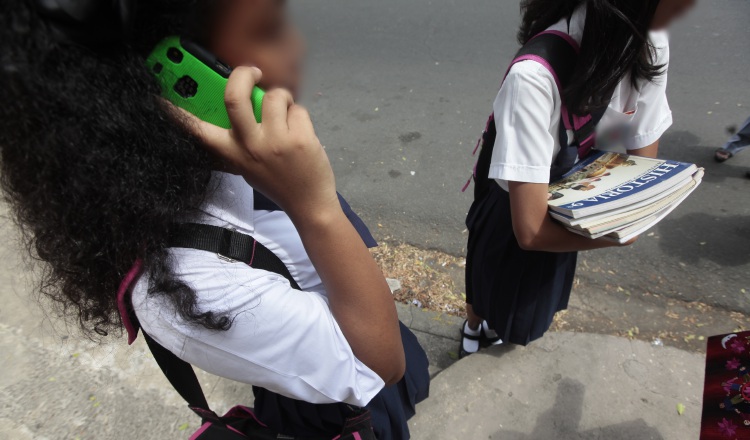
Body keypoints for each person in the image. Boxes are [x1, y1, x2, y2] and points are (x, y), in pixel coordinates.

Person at [0, 1, 428, 439]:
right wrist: (314, 207)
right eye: (266, 32)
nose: (297, 47)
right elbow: (382, 366)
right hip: (339, 401)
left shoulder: (222, 162)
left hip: (338, 326)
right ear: (171, 81)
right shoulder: (193, 287)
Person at [461, 0, 696, 357]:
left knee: (524, 307)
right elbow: (530, 231)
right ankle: (473, 326)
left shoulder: (645, 40)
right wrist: (619, 235)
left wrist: (628, 210)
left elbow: (639, 152)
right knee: (486, 285)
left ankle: (493, 327)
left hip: (566, 199)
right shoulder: (534, 78)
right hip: (515, 207)